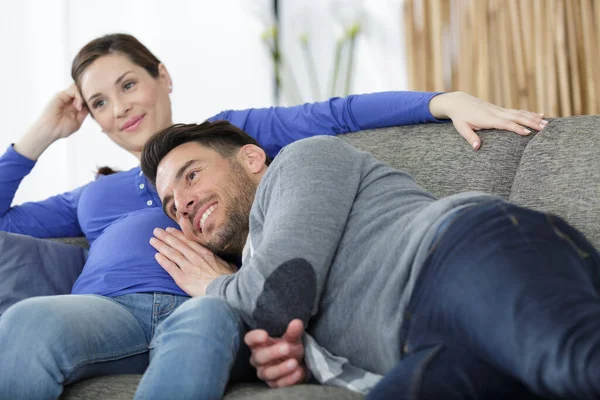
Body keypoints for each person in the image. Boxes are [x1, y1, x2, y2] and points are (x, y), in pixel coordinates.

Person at [0, 32, 546, 399]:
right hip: (106, 313)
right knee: (27, 321)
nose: (118, 108)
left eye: (127, 84)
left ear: (162, 76)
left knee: (205, 319)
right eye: (99, 103)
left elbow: (337, 115)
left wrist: (442, 101)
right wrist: (40, 134)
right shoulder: (92, 197)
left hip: (209, 306)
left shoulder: (227, 137)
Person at [142, 120, 600, 400]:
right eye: (169, 204)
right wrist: (300, 358)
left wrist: (211, 285)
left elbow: (281, 295)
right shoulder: (251, 268)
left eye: (192, 174)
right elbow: (279, 312)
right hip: (423, 346)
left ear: (251, 157)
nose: (181, 202)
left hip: (457, 257)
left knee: (577, 363)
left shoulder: (303, 159)